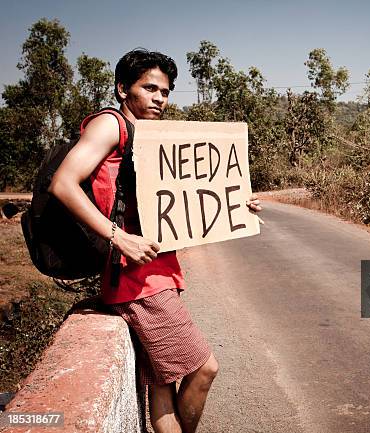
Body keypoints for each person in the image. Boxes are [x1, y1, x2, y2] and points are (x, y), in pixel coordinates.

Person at [48, 49, 262, 433]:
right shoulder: (111, 125)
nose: (160, 99)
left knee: (162, 386)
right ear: (122, 88)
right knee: (204, 367)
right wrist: (120, 238)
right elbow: (63, 183)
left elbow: (189, 192)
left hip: (159, 272)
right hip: (136, 280)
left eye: (165, 91)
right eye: (149, 88)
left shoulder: (155, 138)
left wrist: (237, 201)